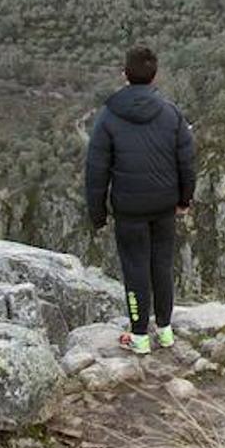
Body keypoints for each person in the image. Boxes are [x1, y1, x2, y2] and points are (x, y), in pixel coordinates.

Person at [84, 46, 195, 355]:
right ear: (155, 75)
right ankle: (166, 330)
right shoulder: (171, 113)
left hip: (129, 210)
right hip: (164, 206)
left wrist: (98, 213)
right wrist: (184, 199)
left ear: (125, 75)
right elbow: (187, 160)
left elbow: (96, 169)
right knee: (162, 264)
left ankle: (138, 336)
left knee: (135, 269)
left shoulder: (108, 115)